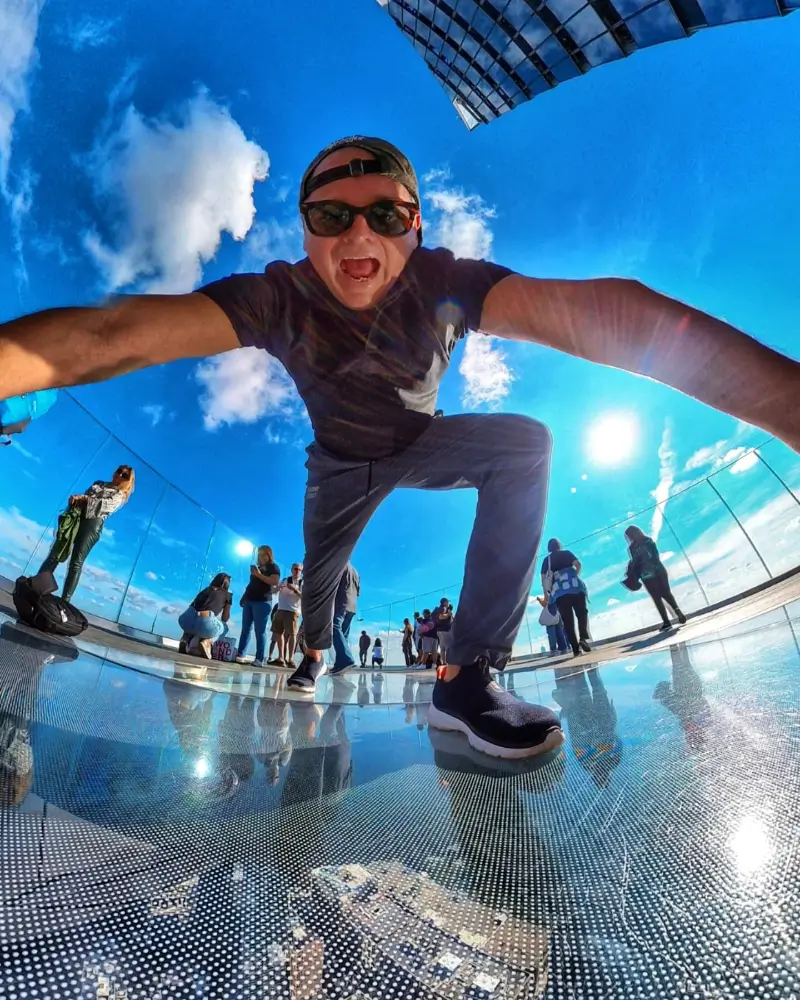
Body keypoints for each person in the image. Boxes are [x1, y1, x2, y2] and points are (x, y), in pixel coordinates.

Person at [1, 136, 797, 757]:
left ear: (414, 226)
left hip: (420, 443)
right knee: (320, 581)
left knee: (524, 443)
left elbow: (604, 315)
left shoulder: (445, 281)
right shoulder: (278, 297)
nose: (358, 235)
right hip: (339, 463)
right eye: (331, 215)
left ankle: (468, 674)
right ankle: (314, 655)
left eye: (384, 215)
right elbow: (112, 334)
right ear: (305, 231)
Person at [38, 465, 135, 603]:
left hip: (92, 523)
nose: (119, 475)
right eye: (119, 471)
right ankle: (36, 587)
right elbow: (85, 497)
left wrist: (84, 499)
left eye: (124, 475)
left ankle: (65, 602)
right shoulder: (99, 483)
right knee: (57, 551)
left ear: (127, 481)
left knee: (76, 562)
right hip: (77, 517)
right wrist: (75, 500)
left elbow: (103, 505)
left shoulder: (119, 495)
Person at [624, 525, 686, 631]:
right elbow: (656, 555)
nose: (628, 538)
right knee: (666, 593)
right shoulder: (648, 540)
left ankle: (666, 622)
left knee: (657, 598)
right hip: (659, 570)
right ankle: (678, 611)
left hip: (646, 575)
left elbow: (635, 562)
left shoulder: (632, 547)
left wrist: (633, 572)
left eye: (628, 536)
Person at [541, 539, 591, 658]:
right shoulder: (567, 553)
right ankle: (583, 637)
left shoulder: (546, 560)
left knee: (567, 621)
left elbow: (544, 579)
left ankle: (575, 649)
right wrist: (574, 576)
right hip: (575, 587)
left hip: (559, 592)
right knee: (582, 613)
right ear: (559, 545)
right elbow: (578, 565)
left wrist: (546, 595)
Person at [235, 545, 281, 666]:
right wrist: (244, 596)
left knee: (260, 631)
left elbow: (274, 581)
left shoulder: (273, 567)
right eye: (259, 554)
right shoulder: (257, 568)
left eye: (264, 554)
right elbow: (252, 584)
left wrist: (258, 574)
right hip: (249, 600)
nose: (261, 557)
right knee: (246, 629)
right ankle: (241, 655)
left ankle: (259, 659)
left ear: (269, 555)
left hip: (263, 601)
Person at [178, 572, 232, 658]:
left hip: (185, 619)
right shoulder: (228, 595)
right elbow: (224, 618)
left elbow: (195, 606)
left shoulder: (206, 589)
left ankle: (185, 638)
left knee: (195, 616)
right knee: (224, 626)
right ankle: (208, 642)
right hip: (204, 621)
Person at [328, 562, 360, 677]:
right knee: (344, 635)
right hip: (352, 605)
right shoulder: (355, 571)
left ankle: (346, 659)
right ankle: (339, 664)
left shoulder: (339, 564)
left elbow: (332, 585)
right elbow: (358, 591)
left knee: (334, 627)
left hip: (341, 602)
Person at [268, 562, 303, 667]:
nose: (297, 571)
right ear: (291, 570)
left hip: (293, 611)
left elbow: (304, 597)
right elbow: (273, 591)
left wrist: (295, 589)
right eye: (295, 569)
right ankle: (281, 658)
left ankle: (291, 659)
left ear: (301, 571)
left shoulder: (302, 583)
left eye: (299, 569)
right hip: (281, 609)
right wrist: (277, 588)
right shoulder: (285, 580)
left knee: (292, 634)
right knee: (278, 633)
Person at [432, 598, 453, 665]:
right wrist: (448, 615)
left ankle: (444, 662)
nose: (448, 603)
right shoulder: (444, 608)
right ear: (445, 602)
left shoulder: (438, 609)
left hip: (439, 630)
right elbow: (441, 616)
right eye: (447, 602)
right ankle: (448, 662)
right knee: (447, 647)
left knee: (442, 647)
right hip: (445, 630)